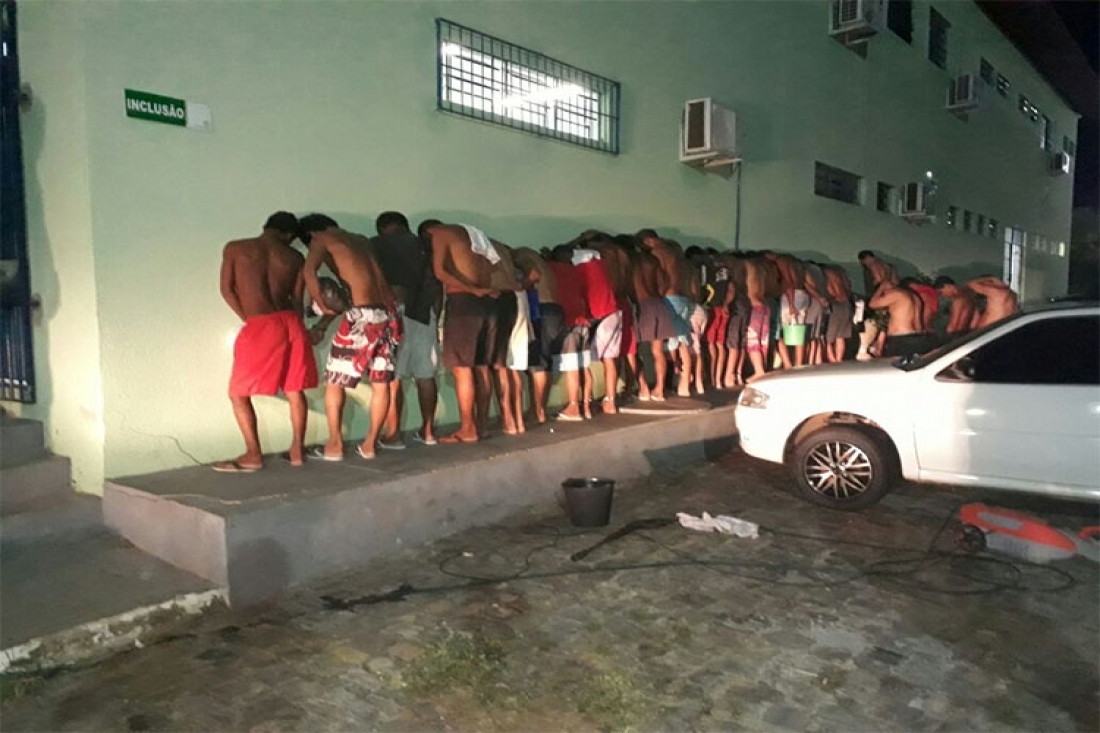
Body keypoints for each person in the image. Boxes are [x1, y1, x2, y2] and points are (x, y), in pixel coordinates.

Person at [214, 212, 318, 472]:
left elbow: (227, 290)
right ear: (289, 235)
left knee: (238, 394)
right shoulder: (294, 257)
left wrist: (249, 319)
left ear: (266, 226)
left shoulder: (235, 248)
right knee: (294, 388)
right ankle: (297, 450)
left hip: (261, 322)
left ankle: (253, 454)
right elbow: (297, 299)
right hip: (290, 321)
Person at [301, 214, 400, 461]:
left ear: (312, 233)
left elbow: (309, 272)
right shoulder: (361, 240)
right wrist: (325, 324)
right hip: (388, 313)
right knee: (381, 382)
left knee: (335, 381)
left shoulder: (322, 239)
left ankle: (334, 445)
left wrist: (321, 305)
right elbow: (356, 287)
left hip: (362, 317)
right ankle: (370, 445)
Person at [420, 220, 496, 443]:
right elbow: (492, 265)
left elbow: (440, 272)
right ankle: (481, 425)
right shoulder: (474, 233)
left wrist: (470, 289)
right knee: (481, 366)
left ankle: (468, 429)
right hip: (485, 303)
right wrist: (478, 289)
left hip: (463, 302)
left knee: (462, 368)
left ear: (428, 233)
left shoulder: (440, 234)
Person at [372, 211, 441, 448]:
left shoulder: (376, 244)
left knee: (394, 377)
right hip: (424, 311)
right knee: (425, 375)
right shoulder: (425, 244)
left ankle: (394, 434)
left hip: (393, 312)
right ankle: (428, 431)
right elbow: (435, 283)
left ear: (382, 228)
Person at [639, 230, 694, 397]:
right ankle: (684, 382)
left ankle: (660, 387)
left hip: (668, 299)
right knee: (683, 342)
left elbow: (661, 279)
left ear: (648, 240)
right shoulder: (675, 253)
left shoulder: (656, 254)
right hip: (684, 298)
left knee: (661, 346)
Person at [574, 234, 624, 414]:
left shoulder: (578, 265)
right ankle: (610, 400)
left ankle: (586, 402)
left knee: (583, 361)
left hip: (596, 314)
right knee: (609, 359)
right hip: (614, 312)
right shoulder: (602, 263)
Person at [513, 247, 560, 424]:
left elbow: (534, 275)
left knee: (537, 363)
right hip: (554, 309)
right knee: (544, 363)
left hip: (541, 309)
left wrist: (516, 288)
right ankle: (538, 409)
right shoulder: (537, 258)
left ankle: (537, 411)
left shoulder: (519, 255)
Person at [547, 245, 592, 420]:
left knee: (571, 367)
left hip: (569, 321)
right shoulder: (575, 271)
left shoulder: (552, 268)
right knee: (584, 365)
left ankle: (573, 407)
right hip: (583, 320)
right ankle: (586, 406)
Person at [631, 231, 675, 401]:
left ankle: (643, 387)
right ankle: (659, 389)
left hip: (642, 305)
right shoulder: (653, 260)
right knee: (658, 351)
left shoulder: (632, 261)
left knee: (632, 351)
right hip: (658, 303)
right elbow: (665, 282)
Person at [869, 272, 930, 357]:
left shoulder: (897, 294)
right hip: (917, 336)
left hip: (901, 338)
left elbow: (872, 304)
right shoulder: (915, 297)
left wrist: (881, 288)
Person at [765, 251, 809, 369]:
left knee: (780, 332)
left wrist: (791, 304)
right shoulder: (796, 264)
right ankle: (799, 363)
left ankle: (787, 363)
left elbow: (788, 282)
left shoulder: (782, 261)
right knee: (799, 331)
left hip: (791, 297)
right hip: (803, 295)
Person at [822, 264, 854, 362]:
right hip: (846, 304)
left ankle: (832, 360)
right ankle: (838, 359)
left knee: (829, 338)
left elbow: (831, 291)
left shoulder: (826, 274)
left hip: (835, 305)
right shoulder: (842, 276)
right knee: (840, 336)